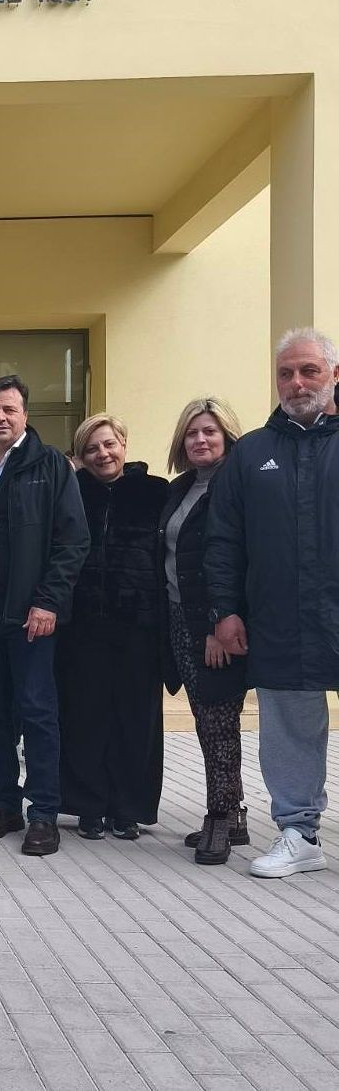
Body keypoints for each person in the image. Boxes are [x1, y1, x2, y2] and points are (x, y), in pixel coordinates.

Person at [206, 327, 339, 879]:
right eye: (286, 373)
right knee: (288, 726)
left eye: (309, 370)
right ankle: (299, 833)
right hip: (280, 618)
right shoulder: (253, 453)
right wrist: (225, 610)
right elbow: (223, 538)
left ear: (334, 375)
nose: (297, 382)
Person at [0, 375, 89, 857]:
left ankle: (44, 812)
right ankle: (5, 802)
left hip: (31, 616)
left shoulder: (49, 465)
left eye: (9, 410)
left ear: (25, 415)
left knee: (37, 712)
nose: (0, 418)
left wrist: (49, 600)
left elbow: (73, 541)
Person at [57, 414, 168, 842]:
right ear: (80, 456)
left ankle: (128, 808)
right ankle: (88, 805)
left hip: (139, 624)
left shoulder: (155, 491)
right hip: (82, 625)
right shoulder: (70, 492)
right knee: (84, 716)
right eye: (91, 448)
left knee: (136, 719)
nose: (102, 454)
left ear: (123, 443)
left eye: (108, 444)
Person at [160, 398, 249, 866]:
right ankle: (234, 814)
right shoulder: (181, 488)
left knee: (218, 722)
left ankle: (219, 818)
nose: (200, 440)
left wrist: (219, 622)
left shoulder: (236, 486)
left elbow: (235, 559)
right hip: (180, 617)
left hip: (215, 624)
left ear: (227, 437)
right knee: (206, 719)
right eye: (192, 433)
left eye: (210, 431)